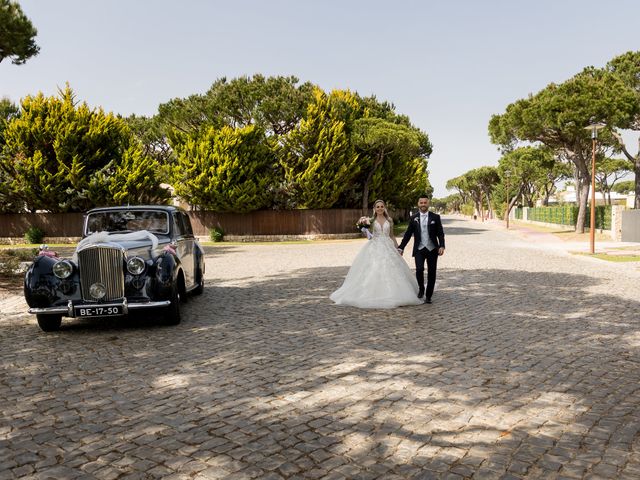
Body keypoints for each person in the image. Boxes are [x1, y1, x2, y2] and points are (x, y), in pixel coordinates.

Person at [330, 200, 423, 309]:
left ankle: (398, 293)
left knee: (393, 268)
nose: (380, 208)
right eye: (377, 206)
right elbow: (368, 235)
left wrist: (398, 248)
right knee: (373, 268)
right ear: (374, 208)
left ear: (384, 208)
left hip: (388, 246)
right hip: (375, 246)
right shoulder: (371, 220)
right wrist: (363, 228)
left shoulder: (389, 220)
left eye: (382, 206)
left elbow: (392, 235)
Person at [397, 194, 445, 304]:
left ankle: (428, 295)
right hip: (419, 249)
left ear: (428, 203)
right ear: (418, 204)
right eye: (421, 202)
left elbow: (440, 233)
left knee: (432, 272)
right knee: (419, 270)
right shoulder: (414, 218)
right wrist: (401, 247)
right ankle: (421, 289)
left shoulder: (435, 217)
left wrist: (442, 245)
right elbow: (408, 234)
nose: (423, 204)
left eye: (425, 202)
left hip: (433, 249)